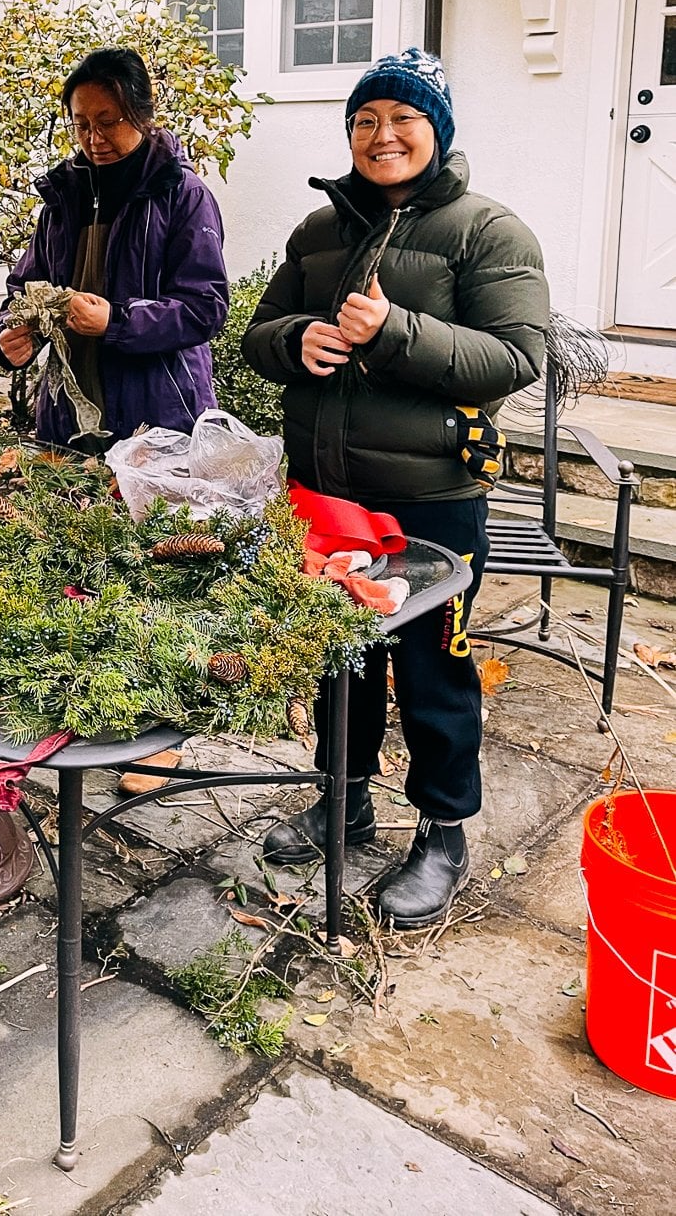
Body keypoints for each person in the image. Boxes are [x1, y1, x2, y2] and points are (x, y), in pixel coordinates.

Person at [242, 48, 548, 929]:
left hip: (430, 502)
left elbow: (513, 360)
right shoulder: (318, 230)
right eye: (365, 120)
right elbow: (262, 332)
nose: (383, 136)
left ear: (437, 131)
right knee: (340, 658)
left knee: (431, 668)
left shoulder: (491, 233)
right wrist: (296, 337)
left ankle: (444, 830)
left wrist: (395, 331)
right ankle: (343, 799)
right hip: (326, 493)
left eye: (403, 119)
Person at [0, 46, 229, 449]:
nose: (93, 138)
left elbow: (204, 308)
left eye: (108, 121)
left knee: (148, 515)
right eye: (81, 124)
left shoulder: (182, 195)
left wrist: (116, 321)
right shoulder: (63, 198)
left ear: (142, 115)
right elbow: (24, 288)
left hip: (159, 420)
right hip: (68, 421)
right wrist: (10, 336)